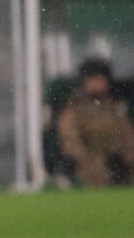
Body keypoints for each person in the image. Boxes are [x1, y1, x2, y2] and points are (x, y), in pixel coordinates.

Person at [57, 57, 134, 187]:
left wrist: (125, 159)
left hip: (119, 164)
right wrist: (95, 161)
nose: (97, 83)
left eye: (100, 79)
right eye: (93, 79)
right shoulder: (74, 109)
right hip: (87, 167)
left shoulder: (116, 108)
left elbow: (128, 138)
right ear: (84, 82)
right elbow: (70, 142)